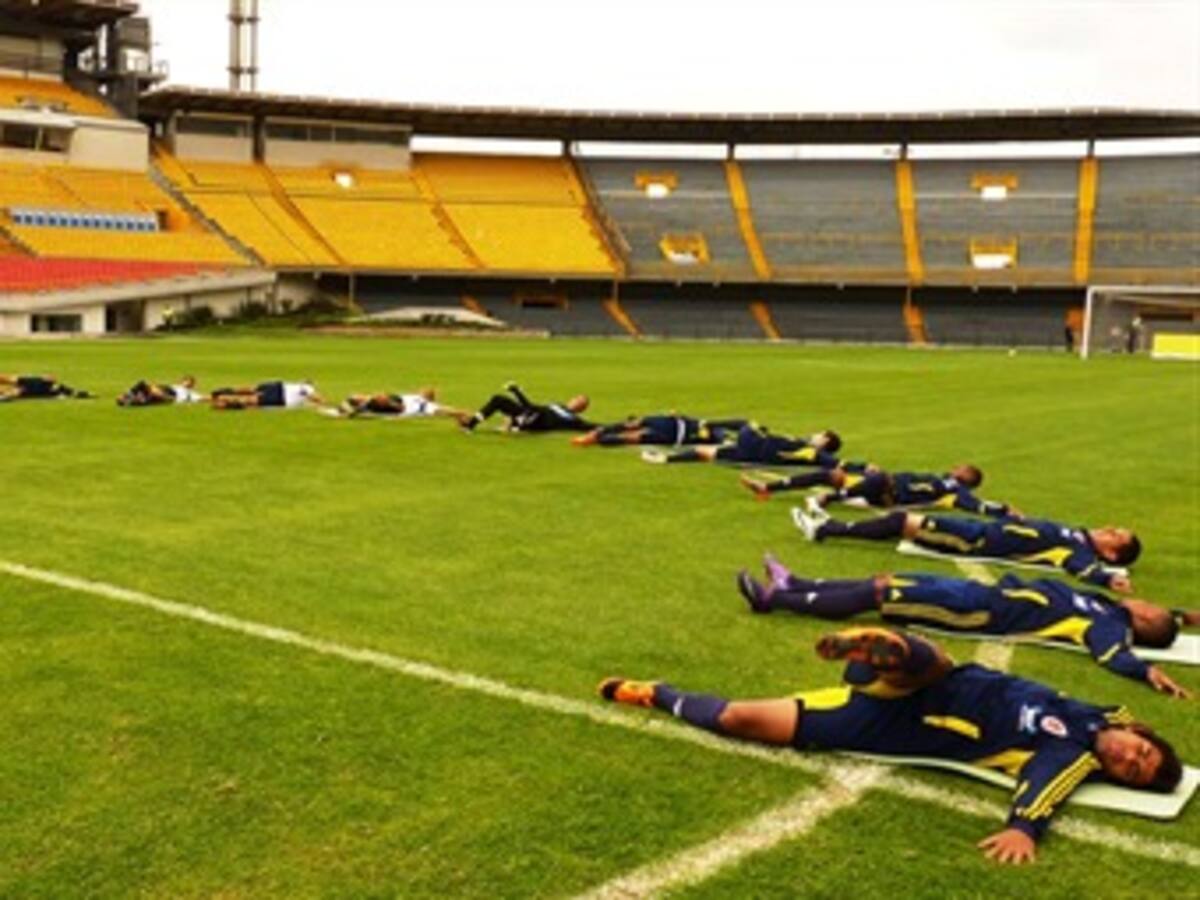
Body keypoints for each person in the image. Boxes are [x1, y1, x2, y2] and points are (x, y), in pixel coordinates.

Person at [600, 626, 1183, 864]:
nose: (1129, 759)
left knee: (736, 717)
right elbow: (1122, 714)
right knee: (929, 662)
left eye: (1132, 772)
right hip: (933, 680)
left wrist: (1023, 829)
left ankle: (655, 693)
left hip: (885, 722)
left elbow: (1042, 789)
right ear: (1139, 732)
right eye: (1141, 752)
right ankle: (882, 649)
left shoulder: (1071, 757)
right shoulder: (1102, 715)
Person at [735, 557, 1194, 696]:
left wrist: (1146, 671)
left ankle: (773, 600)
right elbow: (1161, 619)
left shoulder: (1107, 626)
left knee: (882, 597)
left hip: (979, 612)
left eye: (1152, 608)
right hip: (982, 593)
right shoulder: (1107, 605)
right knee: (886, 582)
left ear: (1144, 620)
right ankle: (799, 583)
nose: (1147, 601)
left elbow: (1113, 655)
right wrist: (1183, 616)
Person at [792, 507, 1140, 592]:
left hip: (976, 541)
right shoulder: (1076, 534)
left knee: (903, 521)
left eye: (1116, 536)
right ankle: (832, 526)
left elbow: (1081, 568)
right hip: (981, 529)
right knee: (903, 522)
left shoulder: (1079, 551)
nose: (1110, 528)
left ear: (1111, 554)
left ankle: (826, 529)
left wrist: (1107, 579)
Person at [742, 463, 1015, 517]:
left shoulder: (954, 492)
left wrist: (1005, 510)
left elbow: (977, 506)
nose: (956, 467)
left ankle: (828, 499)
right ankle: (767, 488)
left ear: (967, 477)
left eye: (962, 468)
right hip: (883, 482)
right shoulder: (939, 478)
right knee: (831, 474)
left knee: (879, 479)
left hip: (889, 495)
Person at [642, 423, 842, 466]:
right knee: (705, 452)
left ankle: (708, 425)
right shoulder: (806, 445)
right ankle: (665, 459)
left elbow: (831, 462)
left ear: (825, 441)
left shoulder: (811, 451)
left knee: (746, 424)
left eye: (820, 435)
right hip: (753, 452)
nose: (816, 434)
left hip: (757, 447)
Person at [459, 382, 594, 433]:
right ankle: (470, 424)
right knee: (497, 399)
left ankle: (517, 394)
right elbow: (534, 408)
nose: (575, 401)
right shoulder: (558, 405)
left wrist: (610, 430)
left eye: (579, 402)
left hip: (535, 421)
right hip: (530, 414)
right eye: (576, 398)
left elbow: (593, 426)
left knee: (532, 410)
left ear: (581, 409)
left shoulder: (573, 420)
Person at [572, 414, 748, 448]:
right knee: (633, 437)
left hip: (681, 430)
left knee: (634, 437)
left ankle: (596, 439)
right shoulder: (651, 424)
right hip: (680, 432)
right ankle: (596, 438)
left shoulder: (652, 421)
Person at [332, 387, 468, 420]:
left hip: (400, 405)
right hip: (397, 401)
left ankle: (359, 408)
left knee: (380, 397)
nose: (423, 390)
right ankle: (357, 407)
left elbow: (445, 410)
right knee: (355, 396)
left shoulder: (429, 406)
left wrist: (461, 414)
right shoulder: (415, 396)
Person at [211, 381, 322, 411]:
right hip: (281, 396)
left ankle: (222, 395)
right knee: (252, 398)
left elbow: (314, 399)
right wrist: (321, 401)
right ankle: (223, 400)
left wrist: (313, 401)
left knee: (252, 391)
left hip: (279, 388)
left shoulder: (301, 387)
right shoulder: (308, 388)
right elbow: (317, 398)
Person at [117, 376, 205, 407]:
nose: (187, 383)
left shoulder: (191, 394)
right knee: (142, 385)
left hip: (168, 394)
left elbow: (204, 398)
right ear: (182, 381)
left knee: (145, 388)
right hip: (163, 391)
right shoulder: (177, 386)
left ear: (193, 385)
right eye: (186, 380)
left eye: (190, 382)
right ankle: (129, 398)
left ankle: (130, 398)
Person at [0, 374, 92, 402]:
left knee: (13, 384)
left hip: (33, 387)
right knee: (13, 382)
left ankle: (74, 393)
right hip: (34, 386)